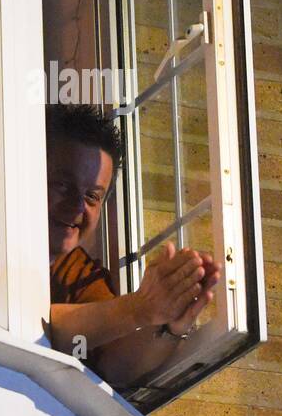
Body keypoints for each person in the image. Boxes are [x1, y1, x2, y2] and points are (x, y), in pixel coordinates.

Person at [43, 103, 219, 389]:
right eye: (62, 185)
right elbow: (27, 328)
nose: (77, 206)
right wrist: (140, 306)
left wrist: (171, 323)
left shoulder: (79, 271)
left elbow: (113, 368)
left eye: (91, 196)